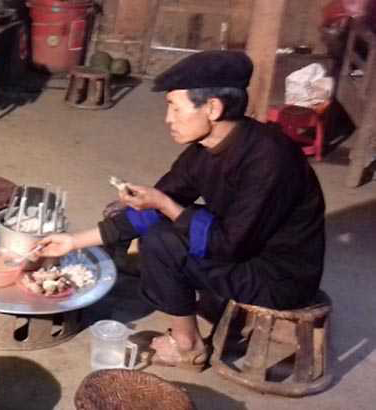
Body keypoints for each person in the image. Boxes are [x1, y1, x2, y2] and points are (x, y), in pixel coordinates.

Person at [35, 50, 326, 371]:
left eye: (176, 107)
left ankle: (188, 346)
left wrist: (164, 204)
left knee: (162, 241)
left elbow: (227, 244)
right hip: (243, 247)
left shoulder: (270, 159)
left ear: (213, 108)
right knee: (146, 219)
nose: (168, 118)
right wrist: (73, 242)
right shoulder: (206, 149)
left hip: (279, 275)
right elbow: (158, 201)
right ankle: (189, 300)